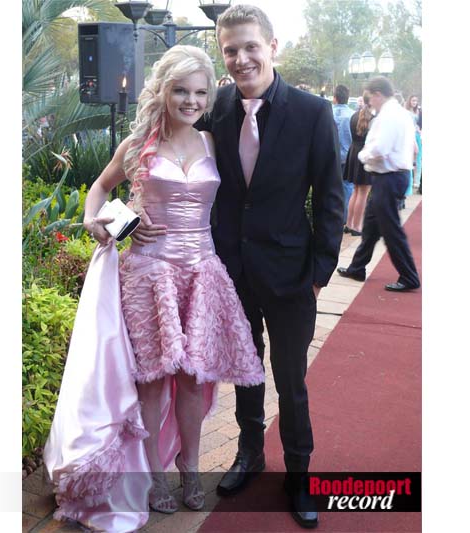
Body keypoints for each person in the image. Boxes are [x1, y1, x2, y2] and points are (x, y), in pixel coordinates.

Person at [136, 5, 344, 529]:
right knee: (246, 372)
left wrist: (319, 273)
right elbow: (157, 160)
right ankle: (249, 454)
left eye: (251, 46)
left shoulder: (313, 112)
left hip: (292, 274)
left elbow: (330, 198)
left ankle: (299, 473)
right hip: (228, 271)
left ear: (272, 46)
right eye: (230, 50)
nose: (241, 58)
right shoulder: (214, 107)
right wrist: (129, 223)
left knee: (290, 379)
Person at [43, 45, 265, 532]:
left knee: (192, 379)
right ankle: (154, 477)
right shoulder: (138, 144)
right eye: (181, 90)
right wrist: (101, 222)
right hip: (148, 274)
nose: (191, 101)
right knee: (152, 380)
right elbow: (100, 189)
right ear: (163, 90)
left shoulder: (211, 142)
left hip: (201, 272)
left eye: (200, 93)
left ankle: (190, 468)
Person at [337, 76, 420, 292]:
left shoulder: (389, 116)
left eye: (370, 97)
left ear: (378, 94)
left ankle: (409, 276)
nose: (369, 102)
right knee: (371, 227)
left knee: (391, 231)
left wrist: (363, 156)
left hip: (389, 177)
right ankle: (357, 267)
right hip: (391, 177)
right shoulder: (398, 113)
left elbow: (380, 149)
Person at [342, 91, 374, 236]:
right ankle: (357, 226)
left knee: (356, 190)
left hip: (354, 152)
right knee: (363, 193)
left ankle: (349, 224)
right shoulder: (373, 119)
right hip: (364, 154)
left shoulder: (354, 115)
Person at [332, 84, 355, 232]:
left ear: (335, 98)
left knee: (332, 187)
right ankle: (345, 218)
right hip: (347, 157)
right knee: (347, 187)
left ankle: (333, 217)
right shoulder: (353, 115)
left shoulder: (327, 112)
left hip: (331, 156)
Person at [406, 95, 422, 190]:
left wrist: (420, 129)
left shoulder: (419, 111)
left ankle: (417, 181)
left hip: (417, 135)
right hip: (409, 136)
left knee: (418, 158)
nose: (414, 102)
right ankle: (410, 181)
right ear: (409, 101)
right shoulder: (406, 111)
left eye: (416, 100)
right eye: (413, 100)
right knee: (410, 158)